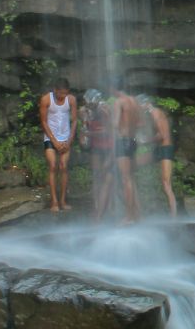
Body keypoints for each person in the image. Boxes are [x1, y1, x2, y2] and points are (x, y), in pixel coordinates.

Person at [39, 77, 77, 212]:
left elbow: (74, 121)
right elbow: (43, 122)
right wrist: (54, 141)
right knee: (53, 166)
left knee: (64, 166)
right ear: (55, 90)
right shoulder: (46, 99)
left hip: (65, 137)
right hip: (50, 137)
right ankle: (54, 201)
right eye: (61, 93)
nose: (63, 96)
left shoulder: (71, 99)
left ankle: (63, 200)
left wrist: (69, 140)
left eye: (65, 93)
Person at [137, 95, 178, 216]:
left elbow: (162, 135)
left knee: (166, 183)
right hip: (158, 149)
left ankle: (173, 217)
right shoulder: (150, 114)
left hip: (166, 149)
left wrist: (145, 141)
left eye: (140, 105)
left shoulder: (155, 113)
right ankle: (137, 211)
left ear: (146, 103)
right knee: (132, 165)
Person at [110, 83, 142, 224]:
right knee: (131, 179)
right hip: (133, 141)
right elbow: (141, 123)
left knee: (125, 179)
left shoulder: (119, 102)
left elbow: (115, 124)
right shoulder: (134, 101)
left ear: (114, 89)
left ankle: (129, 216)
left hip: (122, 142)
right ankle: (137, 215)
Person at [81, 90, 115, 221]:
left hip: (108, 146)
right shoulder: (85, 111)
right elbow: (85, 128)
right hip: (96, 147)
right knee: (96, 176)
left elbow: (108, 132)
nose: (87, 105)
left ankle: (110, 207)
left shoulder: (104, 110)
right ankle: (97, 207)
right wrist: (84, 137)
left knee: (107, 177)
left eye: (89, 103)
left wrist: (89, 135)